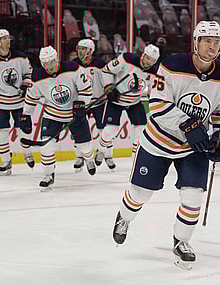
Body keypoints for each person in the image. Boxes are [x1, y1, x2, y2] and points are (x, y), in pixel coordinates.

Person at [111, 21, 220, 270]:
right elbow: (157, 106)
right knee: (141, 194)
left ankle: (181, 241)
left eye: (217, 42)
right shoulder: (171, 65)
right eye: (207, 41)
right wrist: (189, 126)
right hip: (158, 141)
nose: (212, 47)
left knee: (193, 197)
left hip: (193, 148)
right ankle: (124, 218)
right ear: (196, 42)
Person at [22, 46, 94, 189]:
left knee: (85, 147)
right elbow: (31, 98)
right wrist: (26, 116)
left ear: (57, 59)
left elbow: (86, 88)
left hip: (74, 114)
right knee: (46, 146)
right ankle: (48, 175)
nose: (50, 66)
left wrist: (81, 104)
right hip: (52, 115)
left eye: (52, 61)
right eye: (46, 63)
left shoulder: (73, 68)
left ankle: (89, 158)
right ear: (42, 64)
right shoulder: (37, 77)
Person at [0, 29, 35, 176]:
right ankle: (6, 161)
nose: (7, 40)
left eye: (8, 38)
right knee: (1, 133)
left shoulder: (20, 57)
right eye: (3, 39)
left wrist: (25, 85)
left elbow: (28, 74)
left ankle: (27, 153)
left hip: (19, 102)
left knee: (24, 129)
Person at [98, 44, 160, 170]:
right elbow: (106, 70)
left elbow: (153, 92)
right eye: (148, 58)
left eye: (153, 61)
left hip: (134, 103)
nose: (149, 62)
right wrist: (109, 87)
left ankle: (136, 164)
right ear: (143, 55)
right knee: (110, 130)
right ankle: (101, 149)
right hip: (116, 100)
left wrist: (154, 104)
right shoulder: (127, 59)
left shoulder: (154, 72)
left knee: (140, 132)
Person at [72, 39, 107, 172]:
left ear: (90, 51)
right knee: (79, 129)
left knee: (103, 129)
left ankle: (102, 151)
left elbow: (108, 79)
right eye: (79, 48)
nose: (80, 51)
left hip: (99, 102)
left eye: (83, 48)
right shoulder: (73, 64)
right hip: (81, 103)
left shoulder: (100, 64)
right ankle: (79, 156)